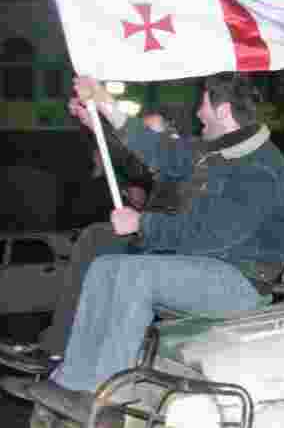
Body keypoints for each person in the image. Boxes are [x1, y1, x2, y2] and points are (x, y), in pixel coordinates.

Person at [1, 72, 284, 398]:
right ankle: (70, 381)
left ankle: (107, 398)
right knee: (105, 266)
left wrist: (143, 224)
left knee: (134, 274)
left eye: (203, 105)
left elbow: (212, 235)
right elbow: (161, 150)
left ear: (223, 111)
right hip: (208, 268)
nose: (198, 114)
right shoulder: (216, 151)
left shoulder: (260, 166)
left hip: (241, 281)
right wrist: (105, 108)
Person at [0, 109, 183, 372]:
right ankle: (62, 347)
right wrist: (97, 128)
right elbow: (127, 160)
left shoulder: (183, 169)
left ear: (172, 136)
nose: (143, 143)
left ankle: (61, 348)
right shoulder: (153, 169)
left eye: (151, 134)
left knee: (98, 240)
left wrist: (141, 220)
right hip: (148, 243)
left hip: (172, 251)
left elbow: (181, 223)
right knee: (96, 243)